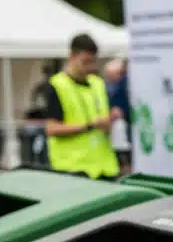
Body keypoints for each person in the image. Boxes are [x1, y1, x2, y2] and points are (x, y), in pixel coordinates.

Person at [40, 34, 120, 180]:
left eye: (93, 62)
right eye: (85, 62)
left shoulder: (98, 83)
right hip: (72, 168)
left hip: (104, 168)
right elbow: (51, 128)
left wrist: (109, 121)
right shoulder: (57, 85)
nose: (90, 67)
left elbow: (104, 121)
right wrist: (88, 126)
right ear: (71, 57)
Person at [104, 58, 133, 173]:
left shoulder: (121, 85)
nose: (109, 77)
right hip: (122, 125)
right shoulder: (119, 85)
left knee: (125, 153)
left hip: (124, 125)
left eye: (110, 74)